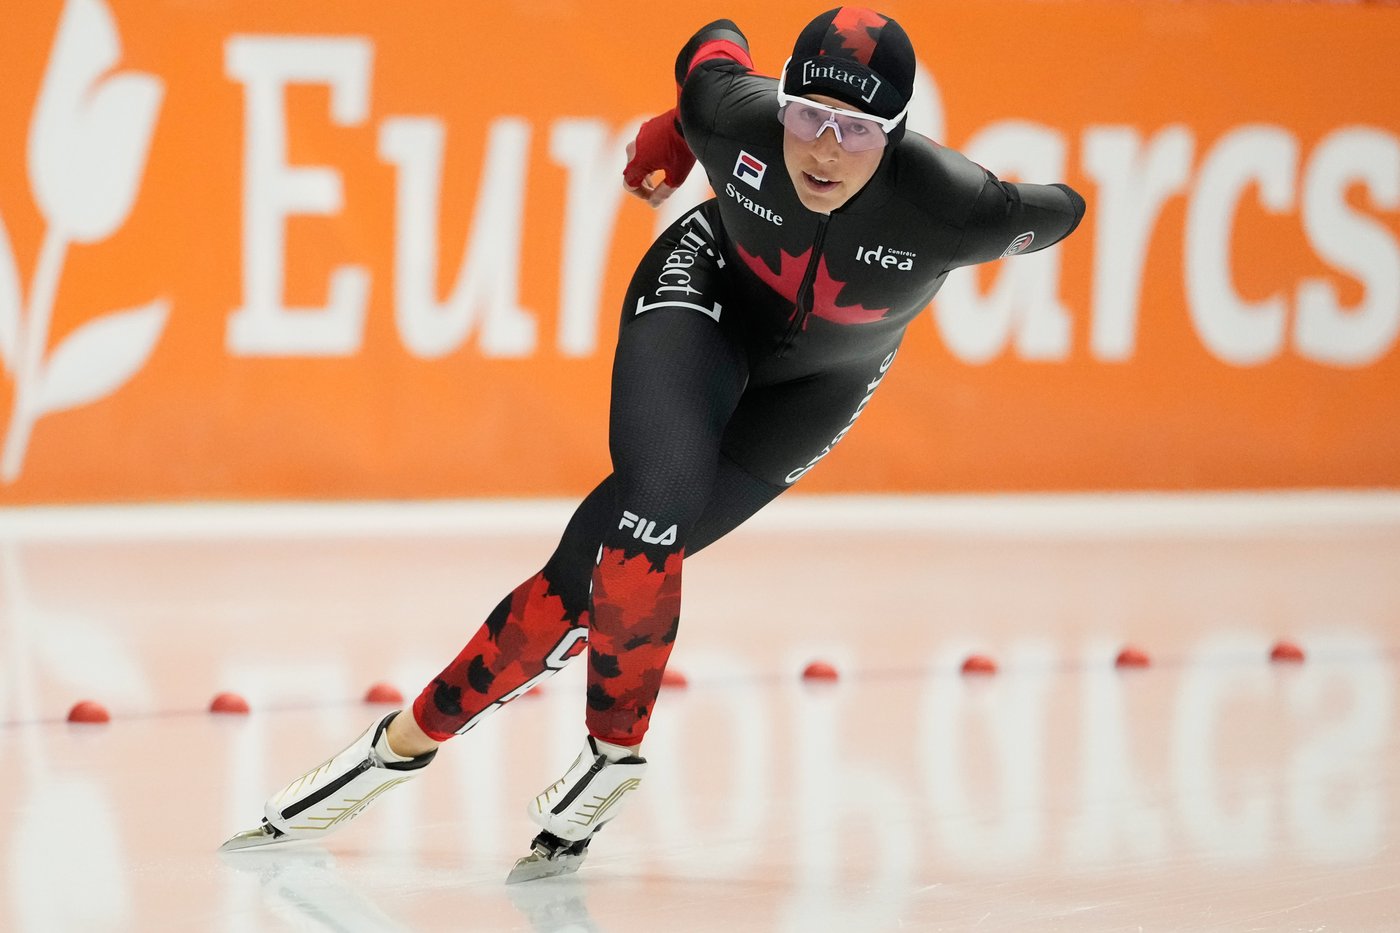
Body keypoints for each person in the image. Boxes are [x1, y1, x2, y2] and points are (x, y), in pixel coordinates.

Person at [220, 7, 1085, 882]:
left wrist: (1016, 210)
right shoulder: (731, 110)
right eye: (807, 116)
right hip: (704, 287)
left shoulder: (957, 205)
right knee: (656, 503)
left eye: (858, 130)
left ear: (895, 135)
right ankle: (610, 755)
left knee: (591, 570)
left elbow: (1064, 210)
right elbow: (714, 37)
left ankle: (395, 749)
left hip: (820, 386)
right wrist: (677, 128)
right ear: (778, 101)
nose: (825, 149)